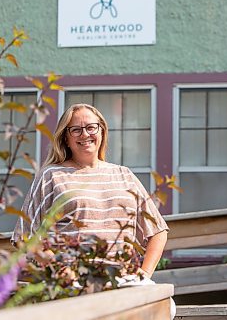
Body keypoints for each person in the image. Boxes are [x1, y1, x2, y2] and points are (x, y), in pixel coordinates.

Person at [12, 103, 169, 280]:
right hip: (73, 286)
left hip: (122, 283)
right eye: (76, 130)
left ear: (102, 131)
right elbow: (24, 236)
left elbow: (158, 231)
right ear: (65, 138)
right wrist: (58, 271)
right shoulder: (51, 176)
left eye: (91, 127)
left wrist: (144, 274)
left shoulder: (124, 175)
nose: (85, 134)